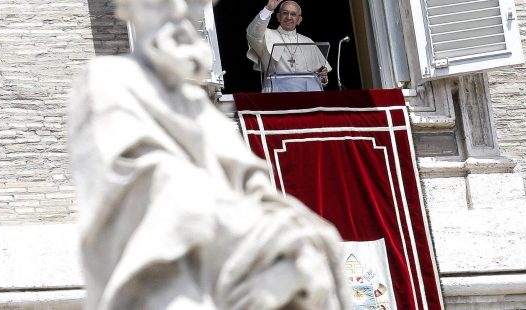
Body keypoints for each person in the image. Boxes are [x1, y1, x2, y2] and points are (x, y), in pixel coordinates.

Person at [67, 0, 349, 309]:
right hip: (168, 249)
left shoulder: (197, 102)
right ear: (131, 12)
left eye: (190, 8)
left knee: (311, 248)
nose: (178, 13)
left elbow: (246, 176)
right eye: (161, 6)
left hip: (221, 234)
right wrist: (228, 210)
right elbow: (139, 177)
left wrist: (291, 225)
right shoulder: (109, 80)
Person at [247, 0, 332, 92]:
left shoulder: (308, 41)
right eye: (285, 13)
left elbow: (320, 76)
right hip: (276, 92)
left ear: (299, 20)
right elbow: (253, 34)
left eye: (293, 14)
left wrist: (323, 78)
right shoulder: (266, 35)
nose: (289, 17)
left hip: (308, 93)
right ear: (278, 17)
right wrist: (268, 9)